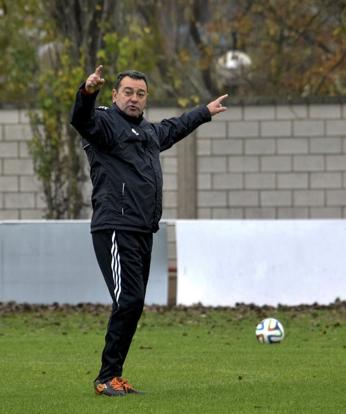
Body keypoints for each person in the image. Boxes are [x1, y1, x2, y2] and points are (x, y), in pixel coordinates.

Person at [71, 65, 227, 396]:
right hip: (115, 227)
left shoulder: (148, 132)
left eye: (140, 94)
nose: (134, 98)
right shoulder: (104, 124)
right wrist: (86, 92)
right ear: (114, 95)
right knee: (127, 300)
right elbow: (81, 120)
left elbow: (175, 127)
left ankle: (113, 376)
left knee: (134, 302)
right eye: (128, 92)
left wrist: (205, 112)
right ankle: (105, 378)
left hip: (142, 230)